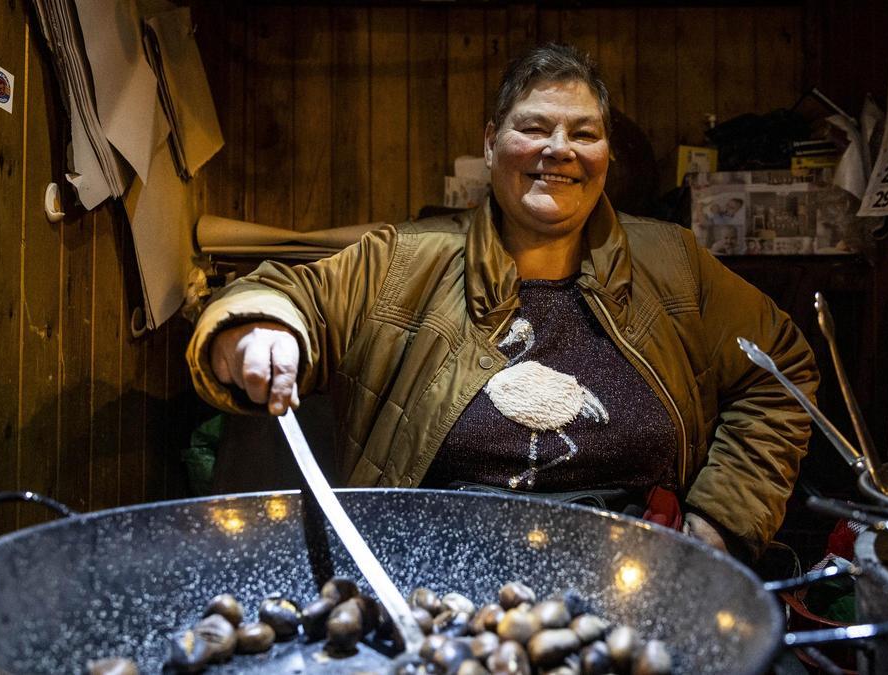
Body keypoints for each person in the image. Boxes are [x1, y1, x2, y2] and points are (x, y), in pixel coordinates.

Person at [186, 44, 817, 562]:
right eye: (534, 127)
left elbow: (780, 371)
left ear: (607, 155)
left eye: (584, 133)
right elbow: (282, 295)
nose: (559, 149)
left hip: (632, 574)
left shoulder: (676, 265)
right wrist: (259, 329)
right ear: (492, 143)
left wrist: (721, 524)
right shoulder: (402, 261)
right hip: (430, 575)